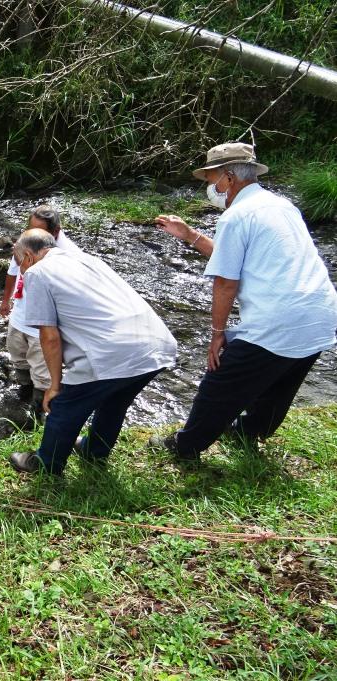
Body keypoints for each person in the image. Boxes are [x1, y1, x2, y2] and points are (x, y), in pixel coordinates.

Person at [151, 142, 337, 461]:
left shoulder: (236, 217)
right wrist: (189, 234)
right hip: (321, 312)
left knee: (221, 377)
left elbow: (225, 282)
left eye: (211, 181)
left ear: (228, 179)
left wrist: (217, 333)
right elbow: (232, 259)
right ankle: (250, 432)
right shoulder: (281, 205)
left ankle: (186, 446)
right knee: (283, 377)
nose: (210, 188)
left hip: (282, 317)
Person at [7, 229, 177, 475]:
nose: (19, 268)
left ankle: (46, 464)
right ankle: (95, 452)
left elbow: (49, 336)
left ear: (28, 257)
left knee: (64, 406)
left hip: (112, 351)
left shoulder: (37, 273)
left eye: (17, 260)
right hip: (155, 344)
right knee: (115, 401)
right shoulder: (86, 258)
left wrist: (55, 385)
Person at [0, 205, 82, 415]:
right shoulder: (28, 242)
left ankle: (38, 413)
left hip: (42, 330)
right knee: (19, 359)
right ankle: (24, 392)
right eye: (30, 228)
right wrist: (5, 301)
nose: (31, 233)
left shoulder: (69, 257)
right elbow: (12, 272)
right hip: (19, 318)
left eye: (40, 230)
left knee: (43, 377)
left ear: (55, 232)